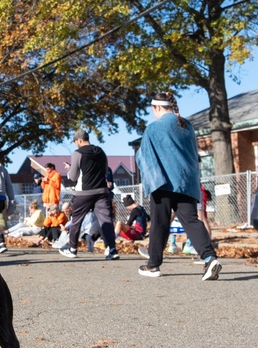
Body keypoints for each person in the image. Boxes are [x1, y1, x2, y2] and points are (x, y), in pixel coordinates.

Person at [135, 92, 221, 281]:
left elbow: (145, 158)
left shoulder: (153, 129)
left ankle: (153, 265)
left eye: (153, 110)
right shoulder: (187, 126)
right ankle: (209, 257)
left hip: (163, 183)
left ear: (157, 107)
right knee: (191, 221)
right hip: (186, 183)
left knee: (160, 224)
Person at [59, 130, 119, 261]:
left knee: (76, 220)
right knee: (106, 220)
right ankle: (112, 249)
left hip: (83, 192)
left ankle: (72, 249)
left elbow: (73, 176)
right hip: (102, 191)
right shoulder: (101, 151)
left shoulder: (77, 153)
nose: (76, 144)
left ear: (79, 140)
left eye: (75, 142)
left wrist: (69, 170)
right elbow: (105, 170)